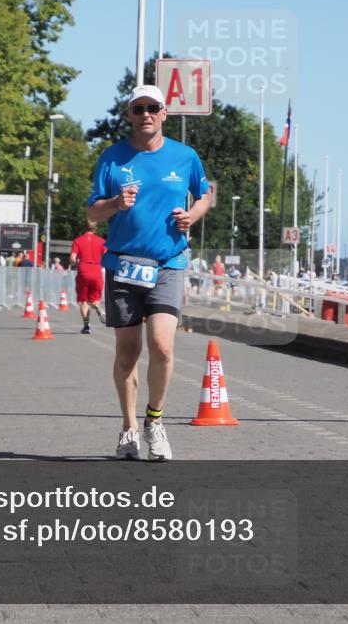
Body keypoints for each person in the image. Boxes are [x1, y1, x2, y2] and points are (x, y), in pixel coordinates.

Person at [86, 84, 211, 461]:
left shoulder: (185, 156)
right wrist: (114, 203)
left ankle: (154, 420)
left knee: (162, 345)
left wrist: (194, 215)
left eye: (152, 107)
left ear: (164, 113)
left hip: (168, 263)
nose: (145, 115)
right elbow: (92, 213)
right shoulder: (113, 158)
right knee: (127, 353)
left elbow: (204, 194)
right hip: (123, 265)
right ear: (129, 114)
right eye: (138, 108)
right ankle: (128, 428)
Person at [70, 219, 107, 334]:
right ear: (95, 228)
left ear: (83, 227)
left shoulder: (78, 241)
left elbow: (72, 258)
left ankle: (86, 325)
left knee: (84, 300)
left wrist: (74, 264)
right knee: (95, 299)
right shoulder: (101, 241)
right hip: (96, 270)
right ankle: (98, 307)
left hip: (83, 270)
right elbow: (107, 255)